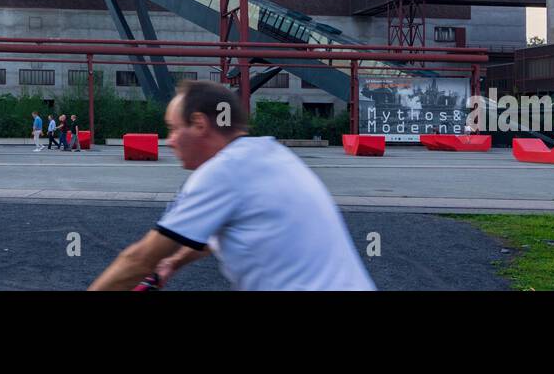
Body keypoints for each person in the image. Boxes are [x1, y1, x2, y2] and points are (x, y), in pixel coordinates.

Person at [89, 81, 375, 291]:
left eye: (174, 128)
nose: (169, 140)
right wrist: (174, 262)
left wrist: (156, 261)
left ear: (200, 124)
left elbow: (139, 258)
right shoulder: (269, 154)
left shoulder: (221, 172)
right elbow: (209, 237)